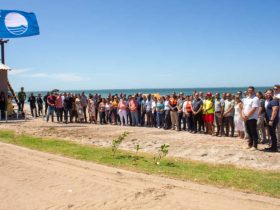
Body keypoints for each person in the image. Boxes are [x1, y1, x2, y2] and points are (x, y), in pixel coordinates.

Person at [242, 86, 260, 150]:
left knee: (253, 132)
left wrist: (247, 116)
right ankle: (250, 144)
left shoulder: (255, 98)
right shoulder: (246, 98)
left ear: (253, 91)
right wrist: (243, 115)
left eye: (251, 90)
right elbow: (243, 108)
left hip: (252, 118)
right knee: (248, 131)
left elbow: (253, 109)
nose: (250, 91)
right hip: (246, 118)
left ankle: (255, 146)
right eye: (249, 90)